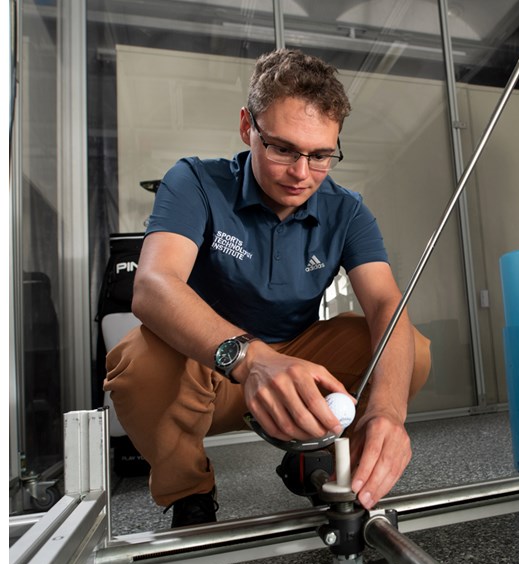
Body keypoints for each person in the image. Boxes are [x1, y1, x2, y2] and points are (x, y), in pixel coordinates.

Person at [104, 48, 431, 528]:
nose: (301, 173)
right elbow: (153, 286)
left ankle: (317, 458)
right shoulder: (194, 180)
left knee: (410, 349)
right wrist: (255, 361)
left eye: (321, 155)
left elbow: (385, 302)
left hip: (299, 363)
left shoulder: (349, 210)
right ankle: (191, 491)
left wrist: (386, 412)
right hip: (207, 368)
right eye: (282, 148)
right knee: (137, 362)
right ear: (246, 127)